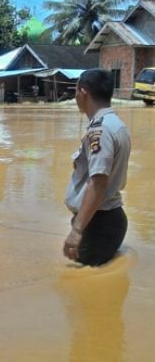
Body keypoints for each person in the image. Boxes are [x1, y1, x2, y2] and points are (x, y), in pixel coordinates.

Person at [64, 68, 131, 266]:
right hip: (105, 220)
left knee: (79, 288)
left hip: (98, 224)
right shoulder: (116, 124)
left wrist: (77, 231)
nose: (75, 96)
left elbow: (99, 181)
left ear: (83, 92)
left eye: (75, 91)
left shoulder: (100, 130)